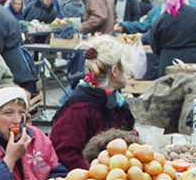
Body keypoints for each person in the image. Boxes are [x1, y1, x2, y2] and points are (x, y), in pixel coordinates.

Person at [49, 36, 136, 171]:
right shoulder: (78, 108)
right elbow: (64, 154)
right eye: (125, 69)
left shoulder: (117, 101)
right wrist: (97, 173)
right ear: (114, 71)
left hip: (117, 176)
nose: (129, 73)